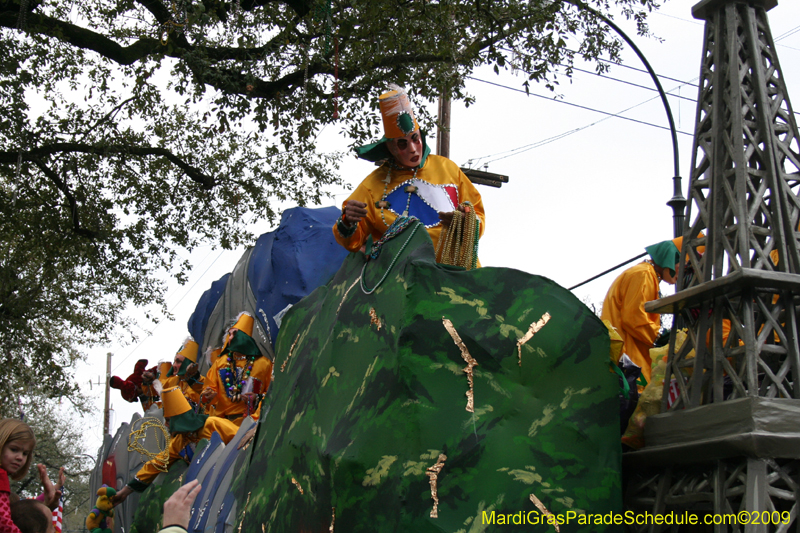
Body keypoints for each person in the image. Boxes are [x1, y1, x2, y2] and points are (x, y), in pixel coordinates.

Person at [333, 85, 485, 260]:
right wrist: (347, 221)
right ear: (390, 147)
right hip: (400, 280)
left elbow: (477, 215)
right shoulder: (372, 185)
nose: (413, 149)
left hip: (455, 273)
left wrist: (465, 223)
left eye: (415, 139)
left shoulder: (448, 169)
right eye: (402, 144)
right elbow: (352, 240)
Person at [111, 387, 240, 505]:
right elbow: (154, 466)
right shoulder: (178, 443)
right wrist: (124, 492)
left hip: (234, 479)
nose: (166, 425)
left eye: (168, 420)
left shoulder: (213, 424)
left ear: (179, 418)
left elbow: (244, 438)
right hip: (209, 492)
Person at [601, 239, 680, 384]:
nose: (682, 272)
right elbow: (633, 318)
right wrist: (660, 336)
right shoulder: (644, 274)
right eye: (683, 265)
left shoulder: (646, 274)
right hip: (629, 359)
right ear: (670, 259)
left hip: (627, 358)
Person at [200, 312, 272, 424]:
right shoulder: (220, 363)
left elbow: (272, 393)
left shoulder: (265, 364)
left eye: (234, 334)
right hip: (223, 425)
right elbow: (208, 395)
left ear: (244, 337)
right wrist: (208, 395)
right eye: (229, 334)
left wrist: (257, 397)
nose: (230, 338)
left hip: (253, 424)